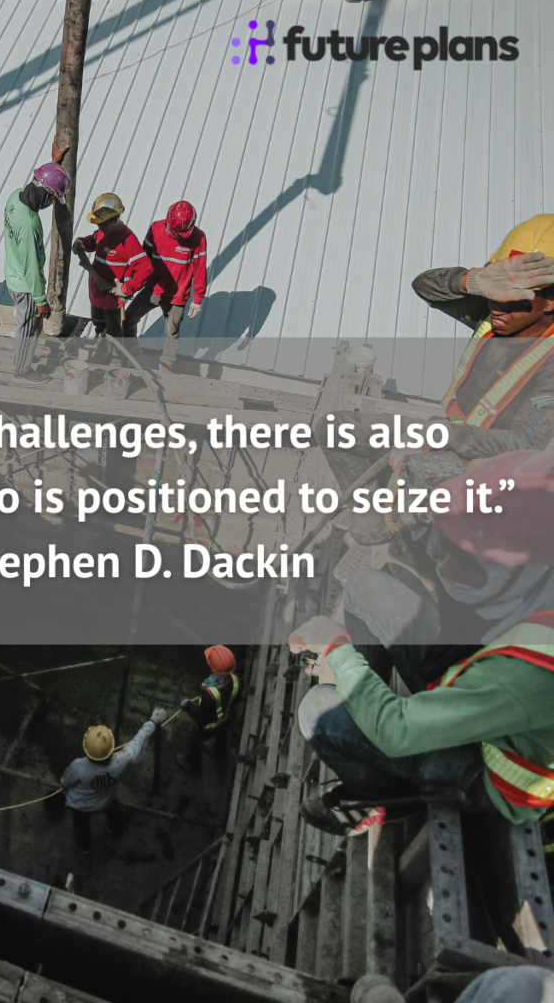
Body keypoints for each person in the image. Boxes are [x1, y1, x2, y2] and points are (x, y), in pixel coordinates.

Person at [289, 452, 554, 836]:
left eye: (466, 560)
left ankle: (379, 795)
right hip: (479, 691)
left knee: (316, 711)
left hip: (486, 766)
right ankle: (366, 705)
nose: (443, 567)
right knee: (363, 587)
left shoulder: (526, 673)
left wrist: (336, 647)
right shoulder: (536, 577)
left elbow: (397, 731)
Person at [319, 216, 554, 496]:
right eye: (496, 293)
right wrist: (471, 281)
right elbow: (424, 285)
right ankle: (366, 511)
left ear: (550, 300)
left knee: (410, 495)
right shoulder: (493, 315)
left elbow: (522, 443)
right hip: (450, 431)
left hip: (490, 463)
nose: (498, 307)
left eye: (514, 297)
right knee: (336, 429)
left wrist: (447, 436)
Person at [3, 143, 70, 384]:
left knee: (26, 324)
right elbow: (32, 267)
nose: (51, 203)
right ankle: (22, 371)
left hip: (13, 275)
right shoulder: (29, 224)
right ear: (44, 192)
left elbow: (41, 182)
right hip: (27, 287)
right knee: (29, 328)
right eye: (52, 197)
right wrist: (41, 300)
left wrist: (54, 164)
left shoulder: (15, 196)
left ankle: (21, 364)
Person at [61, 709, 167, 853]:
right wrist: (153, 721)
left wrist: (64, 785)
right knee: (114, 812)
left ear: (87, 750)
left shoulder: (78, 766)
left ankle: (84, 846)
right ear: (111, 748)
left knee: (81, 826)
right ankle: (113, 828)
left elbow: (66, 782)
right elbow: (137, 741)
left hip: (81, 806)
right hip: (107, 800)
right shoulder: (120, 760)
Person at [125, 200, 207, 372]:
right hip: (153, 289)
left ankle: (166, 365)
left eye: (180, 234)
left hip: (177, 297)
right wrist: (131, 283)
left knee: (172, 333)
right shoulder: (155, 229)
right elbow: (142, 259)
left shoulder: (199, 238)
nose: (177, 236)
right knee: (128, 319)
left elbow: (199, 269)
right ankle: (131, 352)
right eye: (174, 232)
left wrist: (197, 299)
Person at [70, 193, 152, 352]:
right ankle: (102, 349)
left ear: (115, 220)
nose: (99, 227)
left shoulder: (128, 240)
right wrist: (82, 242)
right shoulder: (103, 231)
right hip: (96, 292)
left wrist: (126, 289)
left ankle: (114, 358)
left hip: (112, 298)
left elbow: (145, 269)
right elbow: (94, 240)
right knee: (99, 325)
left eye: (102, 224)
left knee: (113, 332)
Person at [177, 645, 240, 773]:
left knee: (194, 742)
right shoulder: (236, 680)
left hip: (208, 727)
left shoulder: (209, 695)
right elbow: (235, 700)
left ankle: (192, 765)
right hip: (225, 720)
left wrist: (188, 706)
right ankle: (220, 755)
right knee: (221, 737)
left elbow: (200, 719)